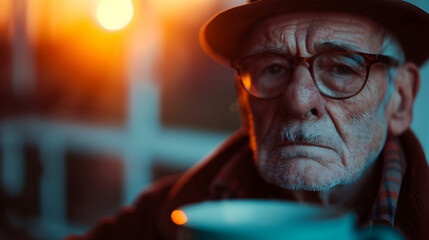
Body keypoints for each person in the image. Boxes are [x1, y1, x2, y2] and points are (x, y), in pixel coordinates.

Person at [66, 0, 429, 239]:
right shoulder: (162, 215)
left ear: (400, 99)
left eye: (341, 68)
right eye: (272, 68)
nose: (298, 100)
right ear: (244, 102)